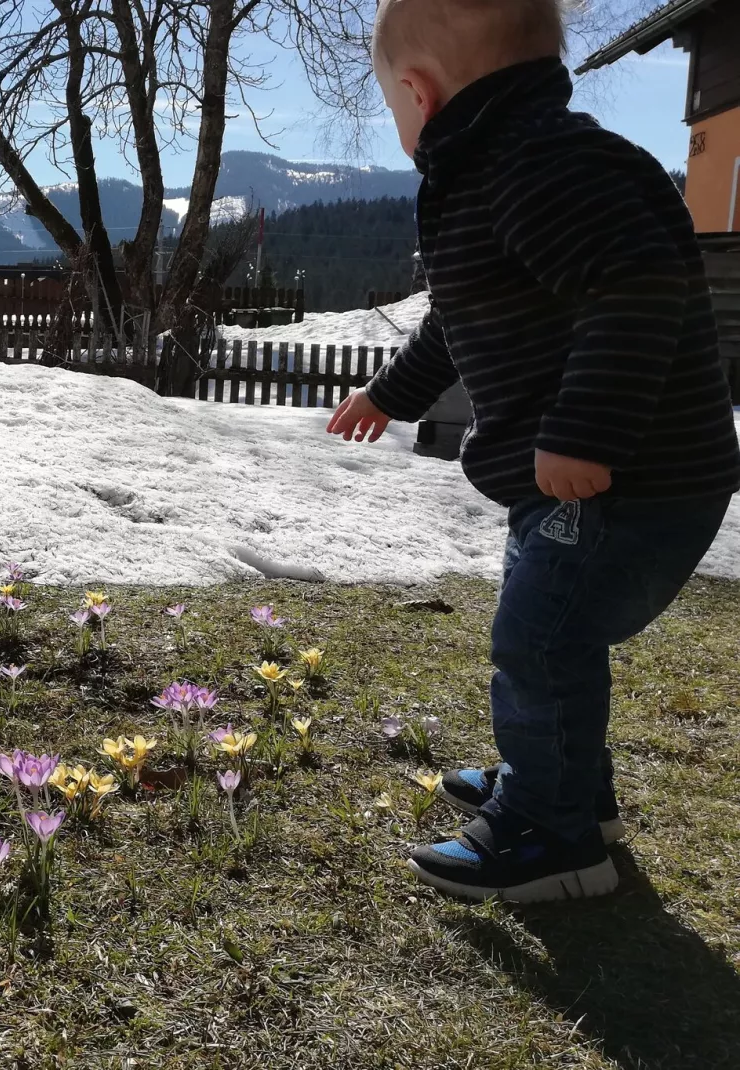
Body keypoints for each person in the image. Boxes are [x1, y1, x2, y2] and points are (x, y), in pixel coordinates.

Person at [327, 0, 740, 902]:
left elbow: (637, 286)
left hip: (623, 481)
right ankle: (571, 798)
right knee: (557, 639)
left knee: (540, 643)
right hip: (589, 483)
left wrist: (583, 431)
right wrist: (387, 395)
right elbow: (461, 316)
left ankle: (551, 841)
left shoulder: (540, 167)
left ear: (419, 92)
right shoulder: (495, 169)